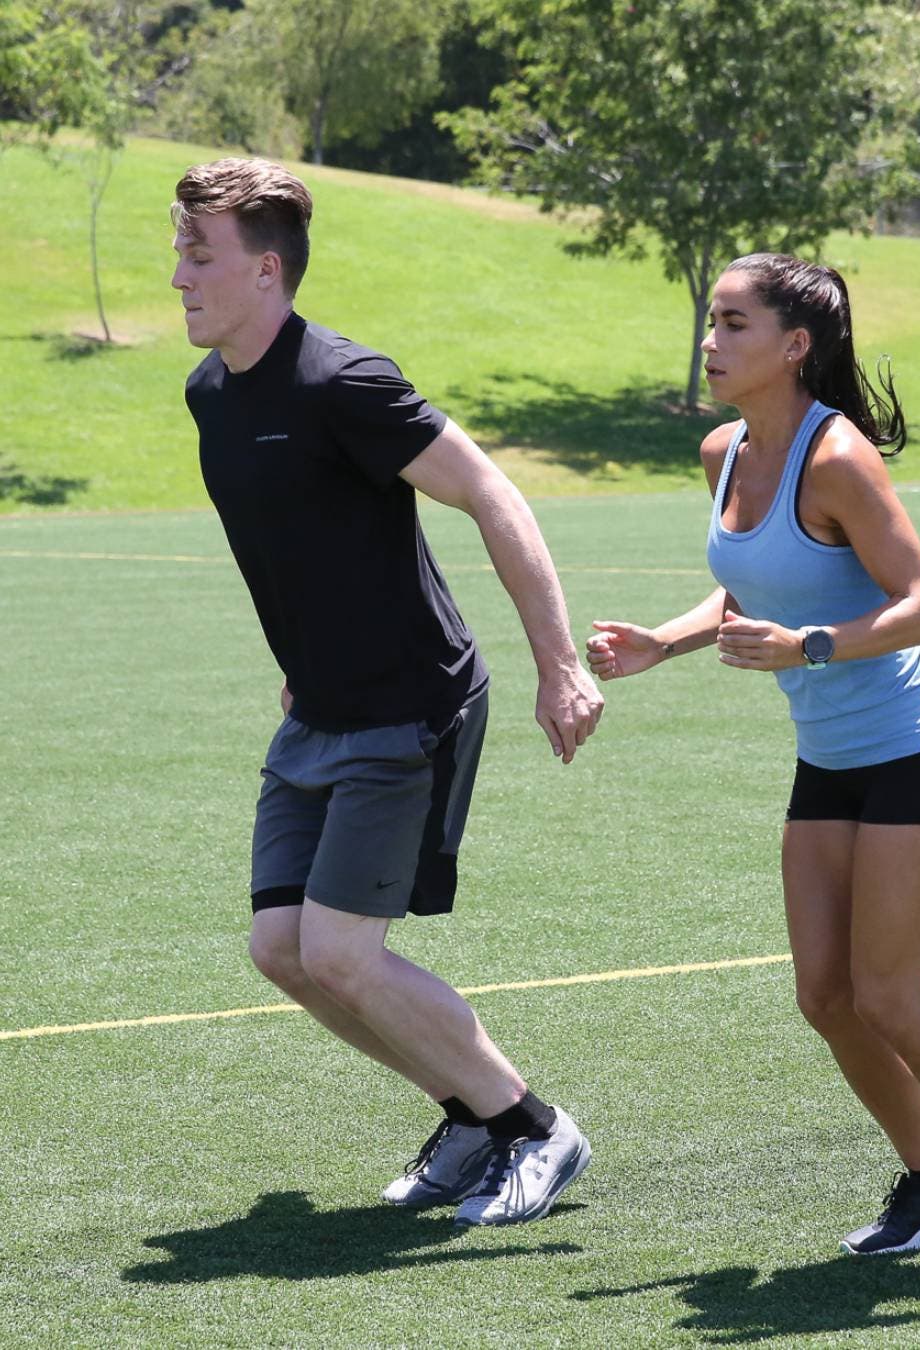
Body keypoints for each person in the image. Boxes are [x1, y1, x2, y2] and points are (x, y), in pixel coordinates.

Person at [584, 254, 920, 1279]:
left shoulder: (838, 457)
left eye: (733, 323)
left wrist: (807, 646)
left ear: (794, 346)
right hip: (830, 760)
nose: (710, 340)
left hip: (918, 751)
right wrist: (658, 646)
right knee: (826, 996)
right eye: (709, 321)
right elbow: (749, 587)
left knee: (890, 994)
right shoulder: (723, 451)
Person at [171, 158, 604, 1226]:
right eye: (178, 249)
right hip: (317, 711)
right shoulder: (209, 396)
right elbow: (301, 540)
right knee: (282, 950)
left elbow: (490, 491)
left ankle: (533, 1128)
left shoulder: (343, 382)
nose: (177, 274)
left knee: (340, 951)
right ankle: (467, 1115)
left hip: (412, 705)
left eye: (199, 254)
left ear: (265, 272)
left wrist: (561, 663)